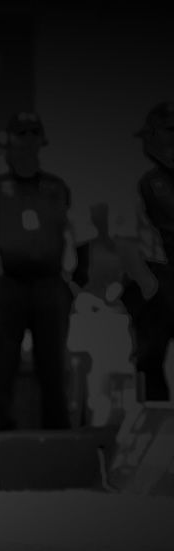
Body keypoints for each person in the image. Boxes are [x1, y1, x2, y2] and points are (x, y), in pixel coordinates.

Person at [0, 111, 87, 431]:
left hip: (50, 284)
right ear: (7, 143)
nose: (26, 140)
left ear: (41, 140)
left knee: (53, 365)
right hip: (6, 284)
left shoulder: (58, 186)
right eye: (20, 134)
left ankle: (58, 436)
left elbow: (84, 236)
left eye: (32, 133)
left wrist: (76, 283)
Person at [111, 101, 174, 401]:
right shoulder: (137, 177)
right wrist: (150, 286)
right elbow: (125, 241)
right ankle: (154, 429)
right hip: (155, 275)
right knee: (151, 360)